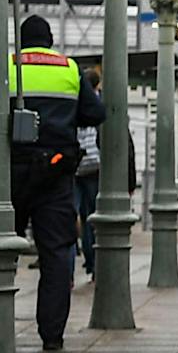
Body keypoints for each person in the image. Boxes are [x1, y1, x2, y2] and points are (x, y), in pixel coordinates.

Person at [8, 14, 104, 352]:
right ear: (49, 40)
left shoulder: (8, 65)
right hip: (56, 173)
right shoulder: (69, 69)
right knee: (57, 254)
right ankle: (52, 334)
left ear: (21, 39)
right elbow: (96, 114)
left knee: (0, 249)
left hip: (11, 174)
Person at [75, 68, 103, 277]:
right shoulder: (97, 104)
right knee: (94, 214)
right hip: (95, 165)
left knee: (79, 214)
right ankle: (95, 263)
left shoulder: (73, 100)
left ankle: (86, 259)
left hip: (74, 165)